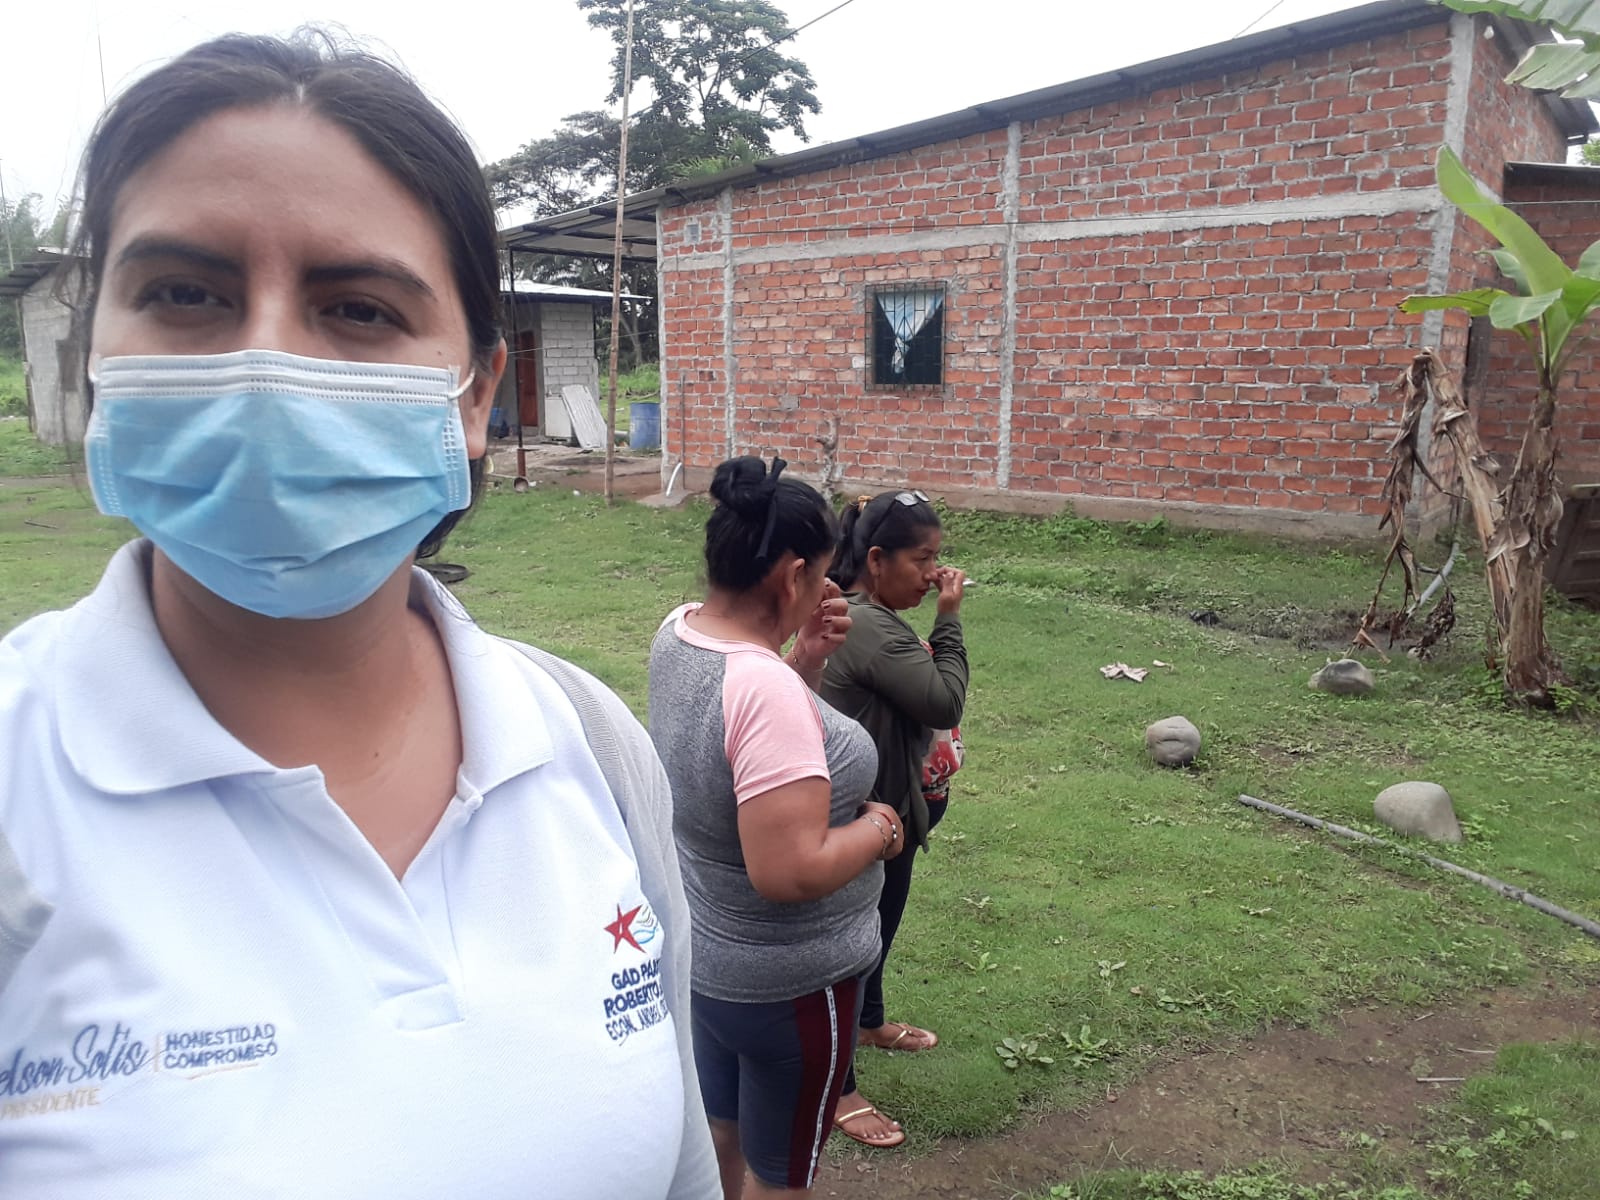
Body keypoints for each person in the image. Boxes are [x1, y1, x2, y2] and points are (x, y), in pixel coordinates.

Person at [0, 32, 716, 1199]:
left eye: (360, 308)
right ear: (97, 354)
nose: (264, 366)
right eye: (185, 293)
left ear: (475, 395)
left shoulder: (586, 744)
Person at [649, 456, 906, 1196]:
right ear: (792, 576)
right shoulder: (761, 687)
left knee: (722, 1139)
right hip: (792, 985)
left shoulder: (681, 632)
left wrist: (805, 660)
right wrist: (881, 831)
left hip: (713, 966)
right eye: (822, 575)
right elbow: (788, 869)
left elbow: (738, 749)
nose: (827, 591)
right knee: (779, 1178)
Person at [820, 489, 969, 1149]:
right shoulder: (868, 625)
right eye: (922, 560)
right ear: (876, 559)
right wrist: (949, 620)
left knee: (878, 930)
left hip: (894, 814)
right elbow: (943, 700)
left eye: (937, 560)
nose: (933, 574)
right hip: (865, 820)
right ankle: (838, 1088)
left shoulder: (873, 614)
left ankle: (870, 1022)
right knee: (852, 947)